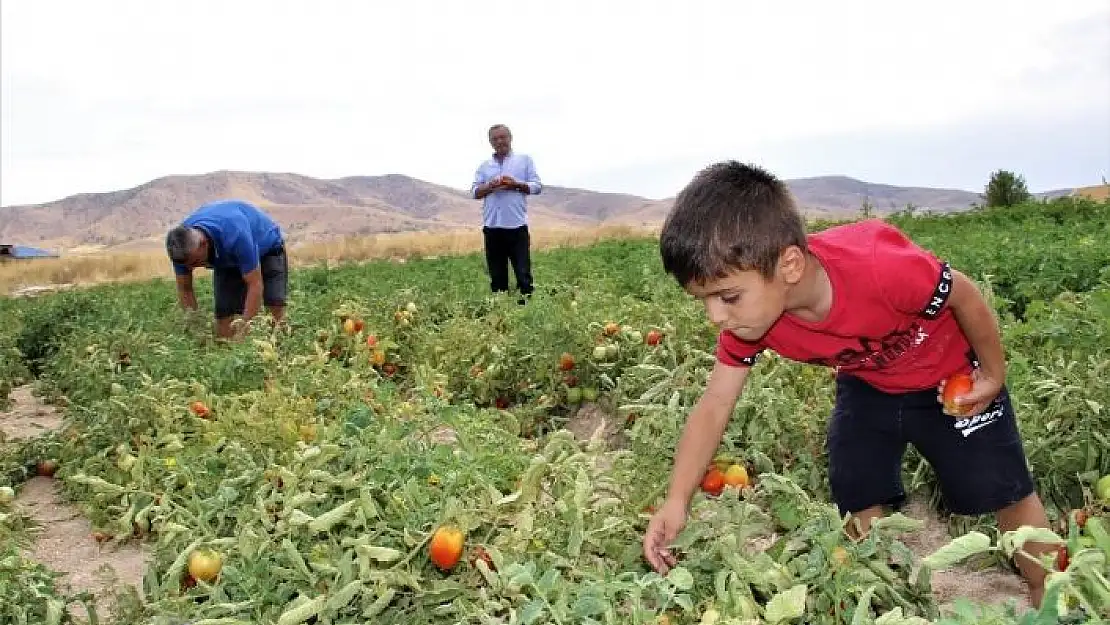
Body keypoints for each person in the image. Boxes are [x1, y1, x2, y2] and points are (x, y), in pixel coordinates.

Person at [641, 160, 1053, 607]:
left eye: (728, 297)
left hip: (948, 377)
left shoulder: (879, 266)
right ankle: (882, 593)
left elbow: (963, 294)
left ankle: (1051, 593)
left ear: (790, 265)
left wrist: (991, 374)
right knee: (855, 484)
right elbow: (716, 401)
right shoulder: (751, 324)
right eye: (704, 301)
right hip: (869, 382)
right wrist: (676, 500)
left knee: (1006, 489)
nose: (716, 316)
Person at [165, 199, 288, 339]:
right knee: (224, 320)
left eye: (195, 262)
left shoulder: (235, 234)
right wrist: (195, 330)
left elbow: (255, 284)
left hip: (268, 247)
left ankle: (280, 348)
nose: (190, 268)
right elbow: (185, 289)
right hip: (226, 257)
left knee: (274, 306)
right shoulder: (179, 246)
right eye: (185, 265)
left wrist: (243, 330)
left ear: (203, 244)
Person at [470, 124, 542, 299]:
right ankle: (501, 315)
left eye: (503, 137)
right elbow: (475, 192)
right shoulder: (484, 166)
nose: (500, 141)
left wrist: (515, 184)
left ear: (510, 138)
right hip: (492, 227)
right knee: (497, 278)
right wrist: (490, 186)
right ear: (490, 142)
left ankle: (527, 312)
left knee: (524, 275)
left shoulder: (525, 160)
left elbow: (537, 186)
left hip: (517, 227)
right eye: (495, 139)